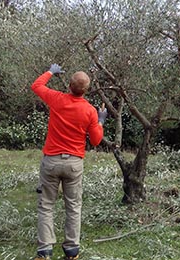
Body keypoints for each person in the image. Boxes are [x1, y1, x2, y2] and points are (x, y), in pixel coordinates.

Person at [31, 63, 107, 260]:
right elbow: (97, 140)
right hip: (74, 163)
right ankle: (72, 251)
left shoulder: (57, 99)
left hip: (51, 162)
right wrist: (101, 120)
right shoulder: (90, 111)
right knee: (73, 206)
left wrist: (50, 71)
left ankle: (44, 251)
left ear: (69, 86)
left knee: (46, 204)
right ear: (86, 90)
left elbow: (36, 86)